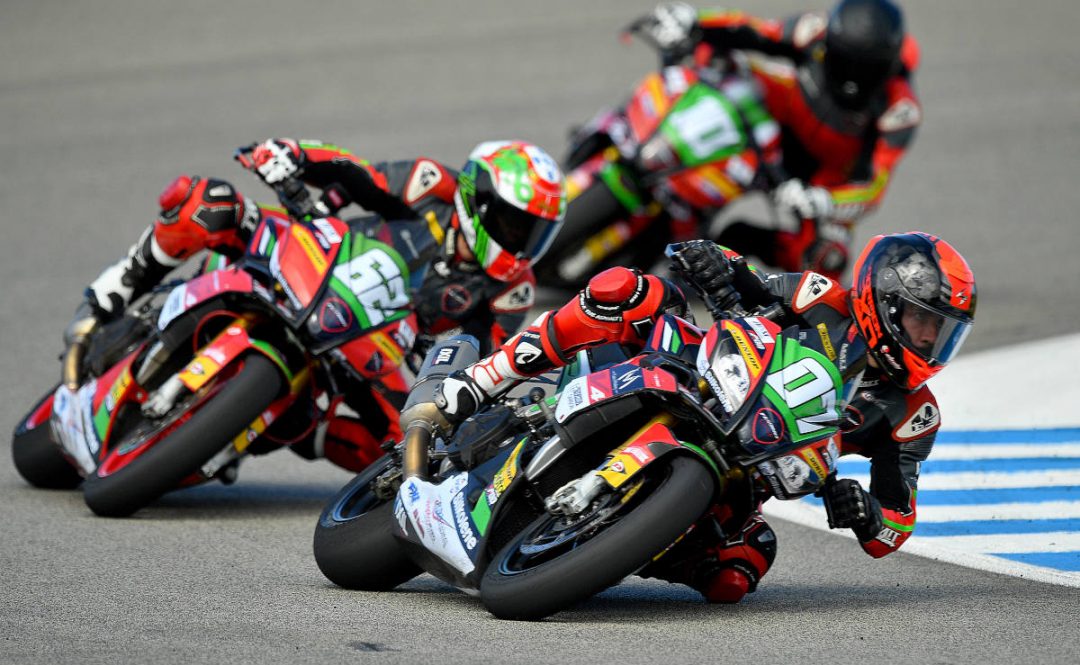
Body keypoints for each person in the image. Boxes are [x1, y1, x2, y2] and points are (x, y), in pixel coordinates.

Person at [428, 231, 976, 602]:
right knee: (627, 290)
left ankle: (616, 543)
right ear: (887, 300)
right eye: (926, 323)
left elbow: (894, 528)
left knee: (741, 570)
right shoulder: (820, 298)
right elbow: (749, 280)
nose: (932, 342)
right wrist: (713, 261)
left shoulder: (913, 414)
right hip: (703, 375)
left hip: (758, 461)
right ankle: (485, 380)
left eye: (945, 333)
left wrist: (864, 511)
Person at [67, 138, 566, 472]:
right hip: (312, 261)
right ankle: (110, 295)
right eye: (515, 224)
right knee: (210, 202)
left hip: (371, 347)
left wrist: (440, 381)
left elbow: (486, 360)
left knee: (416, 440)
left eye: (535, 233)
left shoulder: (511, 288)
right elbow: (354, 174)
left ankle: (298, 431)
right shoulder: (432, 183)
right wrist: (292, 156)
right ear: (479, 201)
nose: (521, 242)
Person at [638, 0, 921, 279]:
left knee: (828, 260)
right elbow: (753, 29)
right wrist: (695, 20)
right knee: (719, 61)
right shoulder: (813, 30)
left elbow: (874, 188)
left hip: (824, 181)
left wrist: (824, 200)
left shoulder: (900, 109)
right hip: (773, 128)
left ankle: (739, 246)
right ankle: (656, 168)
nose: (853, 76)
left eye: (866, 68)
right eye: (844, 61)